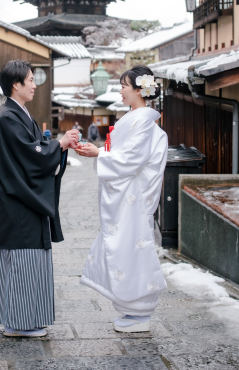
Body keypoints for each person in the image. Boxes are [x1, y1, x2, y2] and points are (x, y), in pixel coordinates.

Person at [0, 60, 80, 337]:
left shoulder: (19, 115)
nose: (35, 85)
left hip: (25, 201)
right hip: (17, 203)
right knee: (22, 261)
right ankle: (17, 324)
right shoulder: (8, 119)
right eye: (30, 80)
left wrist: (58, 147)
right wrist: (59, 144)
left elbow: (37, 151)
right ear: (16, 85)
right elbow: (30, 155)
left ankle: (26, 319)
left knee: (29, 262)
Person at [74, 65, 168, 333]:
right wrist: (101, 154)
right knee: (126, 247)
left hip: (132, 198)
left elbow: (131, 160)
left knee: (131, 248)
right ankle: (132, 310)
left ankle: (140, 312)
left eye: (124, 86)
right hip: (128, 196)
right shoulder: (137, 118)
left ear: (140, 90)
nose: (120, 90)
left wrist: (99, 155)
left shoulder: (143, 121)